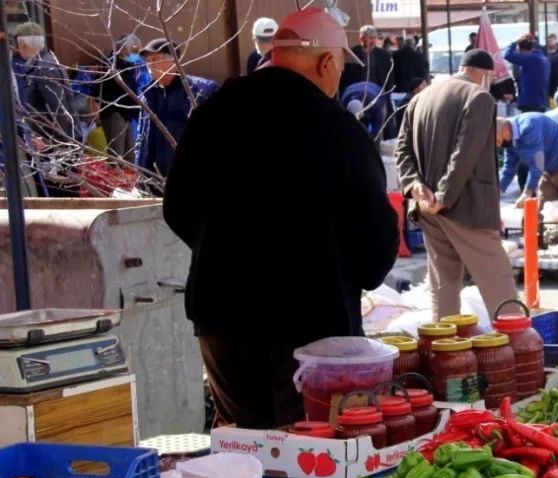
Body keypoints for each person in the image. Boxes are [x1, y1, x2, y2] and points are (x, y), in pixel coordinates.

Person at [163, 7, 398, 429]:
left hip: (222, 317)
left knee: (247, 447)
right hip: (312, 327)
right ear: (326, 62)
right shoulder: (340, 131)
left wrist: (224, 254)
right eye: (340, 68)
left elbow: (177, 209)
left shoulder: (211, 117)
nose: (338, 79)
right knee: (309, 447)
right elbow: (376, 246)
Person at [395, 50, 518, 319]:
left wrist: (414, 185)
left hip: (426, 207)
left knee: (444, 287)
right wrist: (443, 196)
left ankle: (446, 353)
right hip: (465, 206)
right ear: (484, 75)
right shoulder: (479, 97)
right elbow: (465, 152)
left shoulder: (421, 98)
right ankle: (520, 351)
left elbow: (401, 150)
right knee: (498, 284)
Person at [137, 39, 218, 181]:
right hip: (155, 183)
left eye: (154, 59)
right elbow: (141, 139)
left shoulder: (201, 92)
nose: (150, 65)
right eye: (148, 61)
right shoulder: (147, 96)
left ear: (173, 61)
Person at [12, 22, 79, 142]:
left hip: (52, 142)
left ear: (22, 44)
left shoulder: (44, 68)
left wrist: (56, 142)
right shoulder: (45, 63)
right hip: (50, 139)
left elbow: (58, 108)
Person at [496, 113, 558, 210]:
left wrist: (527, 192)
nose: (497, 145)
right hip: (548, 169)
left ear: (505, 131)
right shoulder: (510, 139)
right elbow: (508, 169)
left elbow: (537, 164)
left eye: (497, 140)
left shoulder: (528, 126)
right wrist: (497, 192)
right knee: (542, 211)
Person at [94, 34, 144, 162]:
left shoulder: (128, 65)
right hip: (114, 112)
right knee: (117, 157)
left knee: (131, 156)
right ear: (122, 49)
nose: (137, 54)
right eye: (135, 51)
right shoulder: (111, 65)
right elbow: (124, 88)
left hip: (127, 114)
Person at [341, 25, 394, 95]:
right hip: (356, 94)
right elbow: (344, 76)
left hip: (378, 94)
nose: (373, 41)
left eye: (375, 38)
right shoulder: (351, 53)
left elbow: (390, 77)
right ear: (361, 38)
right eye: (370, 38)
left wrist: (387, 93)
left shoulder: (384, 55)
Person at [505, 34, 551, 112]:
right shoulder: (544, 58)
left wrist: (515, 42)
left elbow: (507, 55)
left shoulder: (531, 58)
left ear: (522, 50)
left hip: (530, 101)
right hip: (541, 100)